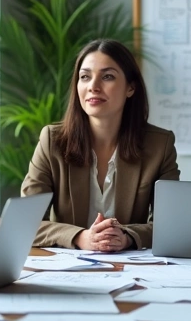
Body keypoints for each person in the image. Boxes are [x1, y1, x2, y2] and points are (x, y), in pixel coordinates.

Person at [22, 39, 179, 251]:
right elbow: (25, 223)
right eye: (85, 77)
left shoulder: (159, 145)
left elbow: (170, 225)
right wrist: (80, 237)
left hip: (132, 269)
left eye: (107, 77)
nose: (93, 87)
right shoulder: (52, 141)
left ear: (130, 88)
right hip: (66, 270)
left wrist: (126, 236)